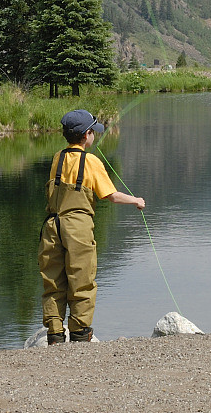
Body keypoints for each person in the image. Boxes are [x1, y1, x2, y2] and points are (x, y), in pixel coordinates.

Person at [37, 109, 145, 344]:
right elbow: (111, 196)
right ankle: (79, 333)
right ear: (86, 135)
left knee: (53, 282)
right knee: (81, 280)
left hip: (52, 226)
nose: (94, 135)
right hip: (78, 228)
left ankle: (55, 334)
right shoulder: (92, 162)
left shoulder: (57, 158)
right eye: (93, 132)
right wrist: (136, 200)